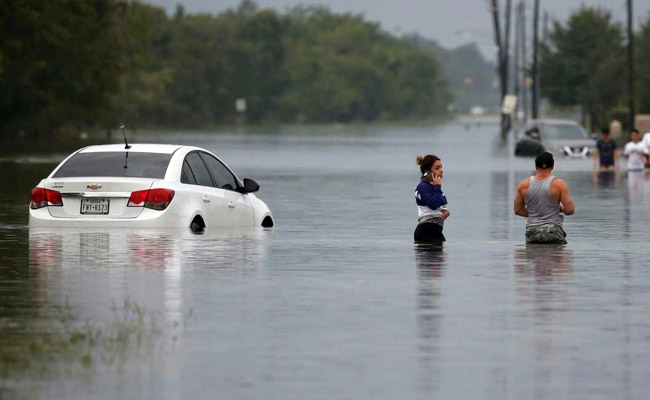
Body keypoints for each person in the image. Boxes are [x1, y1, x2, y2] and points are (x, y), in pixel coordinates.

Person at [514, 152, 575, 244]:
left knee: (532, 256)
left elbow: (518, 210)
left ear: (535, 166)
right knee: (559, 256)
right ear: (553, 166)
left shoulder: (523, 185)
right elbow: (570, 210)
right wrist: (560, 209)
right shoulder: (559, 184)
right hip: (553, 231)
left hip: (532, 232)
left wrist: (536, 212)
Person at [414, 154, 450, 243]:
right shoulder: (423, 187)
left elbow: (439, 207)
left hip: (435, 230)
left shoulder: (434, 188)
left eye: (441, 167)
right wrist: (437, 186)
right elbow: (433, 204)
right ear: (428, 171)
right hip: (426, 231)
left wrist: (445, 213)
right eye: (437, 168)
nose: (441, 171)